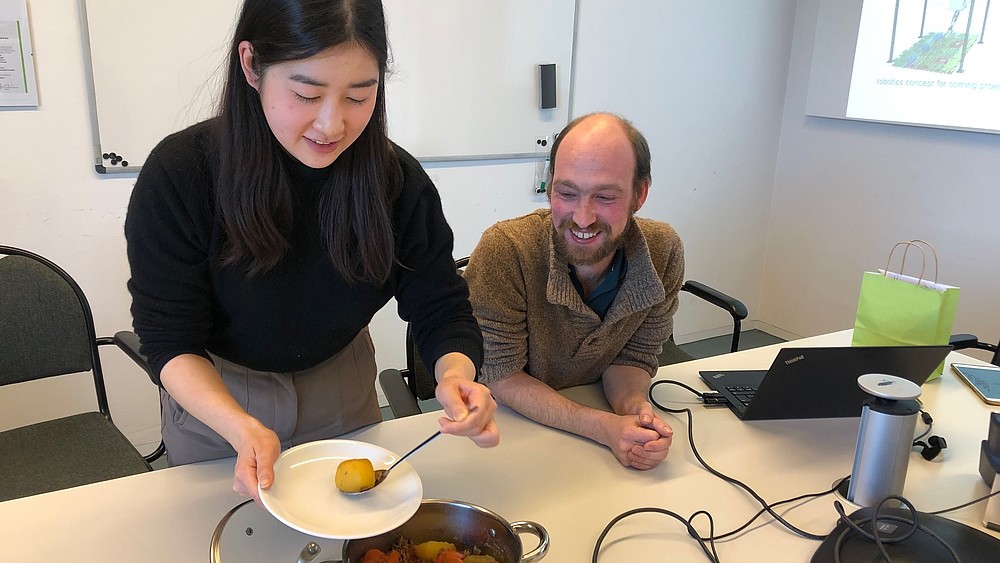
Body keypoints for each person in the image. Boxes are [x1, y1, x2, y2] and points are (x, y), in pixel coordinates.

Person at [124, 0, 498, 504]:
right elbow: (169, 338)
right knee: (226, 530)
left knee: (353, 530)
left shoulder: (396, 181)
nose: (331, 125)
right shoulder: (182, 174)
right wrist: (237, 425)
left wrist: (455, 376)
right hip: (219, 396)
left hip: (342, 384)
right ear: (251, 65)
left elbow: (440, 307)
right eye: (306, 94)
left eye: (358, 97)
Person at [463, 112, 680, 470]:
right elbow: (502, 375)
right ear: (549, 187)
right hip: (511, 437)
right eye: (567, 193)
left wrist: (635, 409)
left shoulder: (663, 252)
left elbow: (633, 358)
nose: (582, 218)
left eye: (605, 197)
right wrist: (604, 427)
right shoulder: (507, 250)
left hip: (592, 431)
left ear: (639, 194)